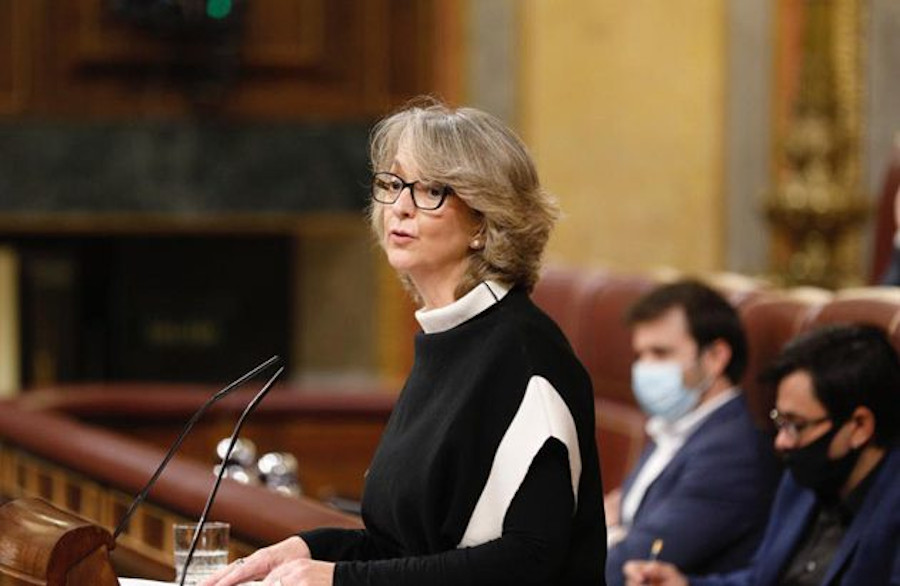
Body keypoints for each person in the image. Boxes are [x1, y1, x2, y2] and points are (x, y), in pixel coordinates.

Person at [204, 99, 606, 586]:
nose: (400, 206)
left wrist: (337, 580)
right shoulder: (447, 339)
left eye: (432, 190)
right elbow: (403, 546)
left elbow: (529, 559)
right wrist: (307, 547)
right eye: (392, 185)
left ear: (484, 220)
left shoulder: (526, 357)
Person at [623, 324, 900, 586]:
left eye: (796, 425)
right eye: (780, 422)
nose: (781, 441)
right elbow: (760, 579)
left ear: (860, 426)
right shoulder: (802, 481)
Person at [604, 281, 779, 586]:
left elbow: (633, 563)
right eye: (640, 354)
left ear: (714, 357)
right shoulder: (678, 423)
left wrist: (604, 534)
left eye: (660, 353)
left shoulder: (731, 454)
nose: (644, 368)